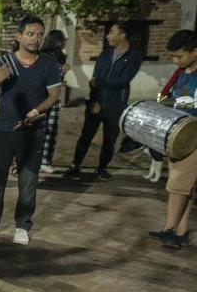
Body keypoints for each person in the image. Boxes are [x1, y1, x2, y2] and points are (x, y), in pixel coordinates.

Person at [0, 15, 62, 245]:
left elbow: (54, 95)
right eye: (30, 34)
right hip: (4, 128)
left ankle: (22, 225)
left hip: (33, 130)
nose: (35, 39)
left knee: (28, 180)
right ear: (19, 36)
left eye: (39, 34)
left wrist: (36, 111)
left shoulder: (48, 63)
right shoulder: (4, 62)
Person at [64, 22, 142, 179]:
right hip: (97, 102)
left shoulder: (133, 56)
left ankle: (102, 168)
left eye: (111, 32)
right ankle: (75, 165)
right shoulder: (105, 54)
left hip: (116, 105)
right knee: (86, 136)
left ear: (122, 35)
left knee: (109, 139)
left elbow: (123, 81)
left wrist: (101, 82)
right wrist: (95, 100)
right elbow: (94, 80)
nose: (107, 36)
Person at [148, 30, 197, 250]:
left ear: (195, 52)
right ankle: (181, 231)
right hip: (179, 135)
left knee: (177, 185)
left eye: (180, 56)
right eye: (173, 57)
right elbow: (168, 96)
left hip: (193, 137)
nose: (176, 61)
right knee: (185, 187)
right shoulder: (181, 73)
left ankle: (169, 230)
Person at [39, 30, 70, 173]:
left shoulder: (60, 57)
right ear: (56, 41)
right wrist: (61, 72)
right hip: (42, 97)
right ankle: (36, 159)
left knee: (51, 129)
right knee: (40, 128)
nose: (64, 43)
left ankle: (45, 160)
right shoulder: (42, 56)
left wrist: (63, 72)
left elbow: (57, 79)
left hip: (55, 97)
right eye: (62, 40)